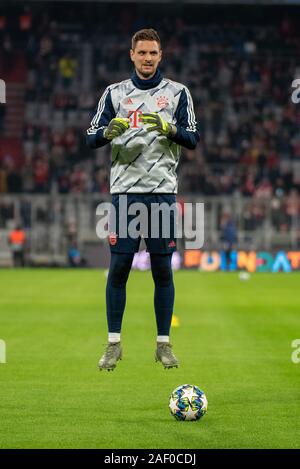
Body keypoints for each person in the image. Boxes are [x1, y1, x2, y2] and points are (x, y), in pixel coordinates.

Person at [86, 28, 199, 371]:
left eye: (153, 53)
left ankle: (163, 345)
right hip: (124, 194)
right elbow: (91, 137)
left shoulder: (178, 93)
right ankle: (113, 344)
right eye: (142, 53)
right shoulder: (114, 93)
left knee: (162, 270)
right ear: (132, 55)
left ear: (160, 55)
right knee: (118, 268)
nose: (148, 58)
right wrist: (108, 132)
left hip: (162, 194)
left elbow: (192, 137)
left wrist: (171, 130)